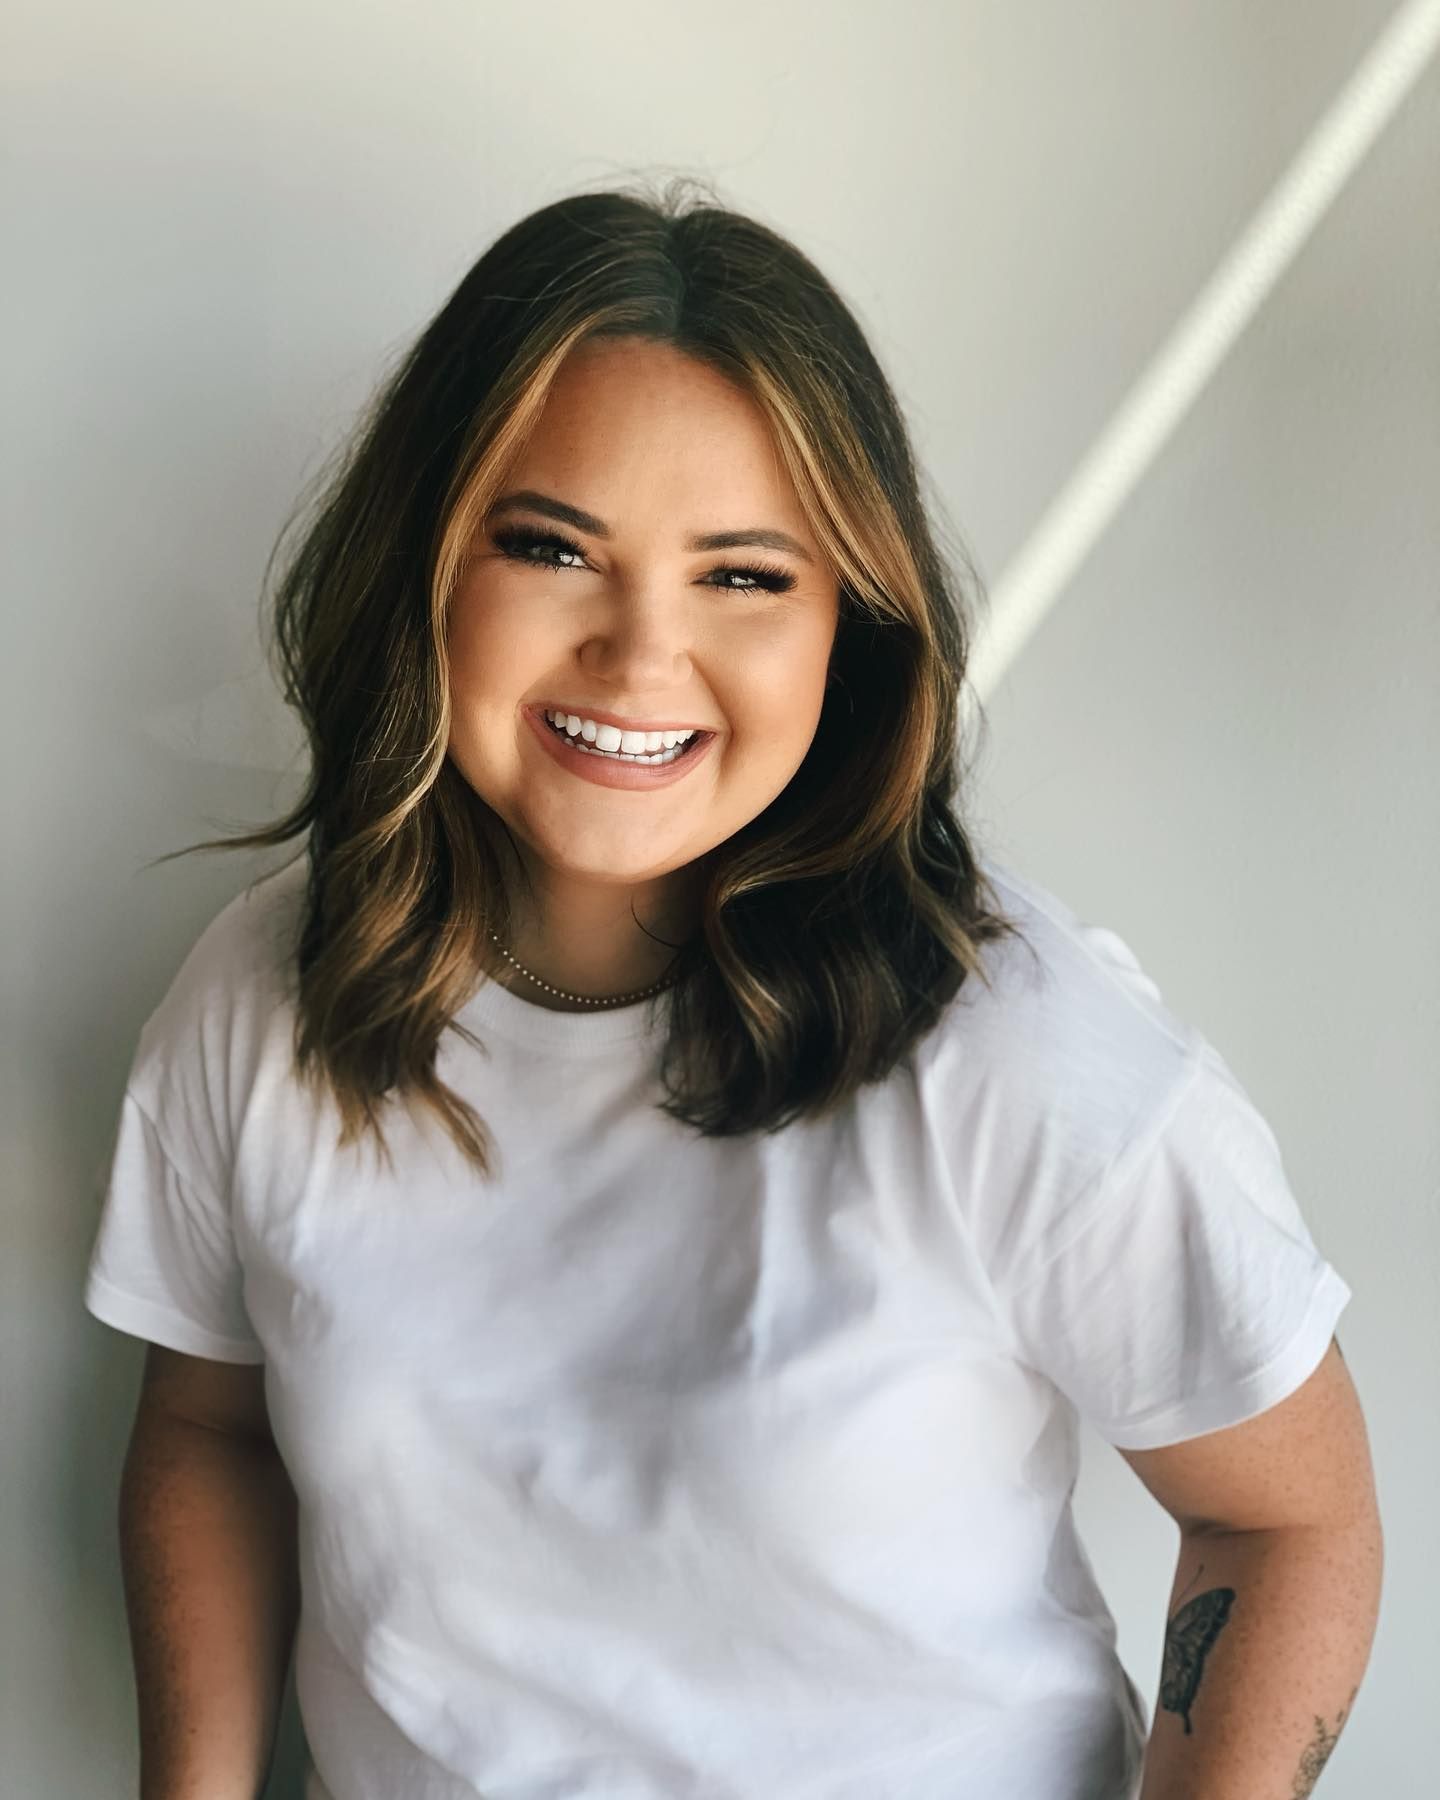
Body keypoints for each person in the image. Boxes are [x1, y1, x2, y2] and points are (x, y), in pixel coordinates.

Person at [83, 180, 1380, 1800]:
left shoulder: (1015, 1048)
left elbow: (1288, 1509)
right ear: (424, 564)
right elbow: (208, 1436)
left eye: (745, 576)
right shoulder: (264, 996)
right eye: (553, 546)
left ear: (854, 625)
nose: (640, 657)